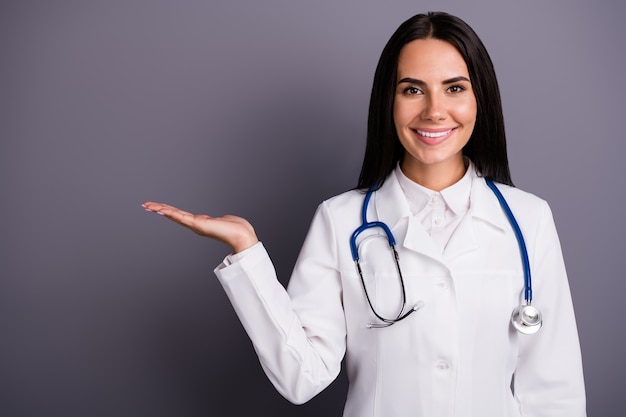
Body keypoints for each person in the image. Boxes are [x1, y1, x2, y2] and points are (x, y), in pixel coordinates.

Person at [142, 11, 586, 417]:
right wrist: (247, 252)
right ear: (388, 102)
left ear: (480, 100)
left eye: (454, 88)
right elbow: (302, 377)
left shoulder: (529, 220)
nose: (434, 110)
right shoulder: (340, 221)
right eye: (412, 89)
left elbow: (555, 391)